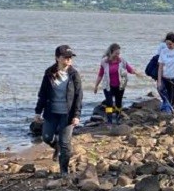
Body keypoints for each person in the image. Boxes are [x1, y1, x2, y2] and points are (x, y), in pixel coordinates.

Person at [34, 45, 83, 176]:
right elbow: (43, 93)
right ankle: (56, 146)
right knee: (46, 137)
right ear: (57, 58)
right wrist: (38, 111)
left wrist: (77, 115)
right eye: (65, 57)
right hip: (51, 113)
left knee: (65, 143)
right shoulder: (49, 73)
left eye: (70, 57)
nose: (68, 59)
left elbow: (79, 96)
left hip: (67, 115)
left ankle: (64, 171)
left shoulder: (74, 74)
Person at [92, 43, 139, 126]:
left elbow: (129, 69)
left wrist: (137, 73)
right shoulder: (104, 61)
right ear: (111, 52)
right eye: (116, 53)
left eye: (119, 53)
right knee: (109, 103)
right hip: (108, 86)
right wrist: (96, 86)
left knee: (118, 103)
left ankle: (118, 118)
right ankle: (109, 121)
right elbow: (100, 74)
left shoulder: (122, 61)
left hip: (120, 86)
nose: (118, 55)